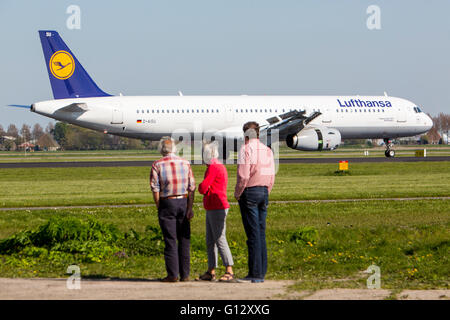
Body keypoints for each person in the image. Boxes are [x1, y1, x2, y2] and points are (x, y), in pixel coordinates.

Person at [150, 137, 196, 282]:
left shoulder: (157, 165)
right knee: (184, 239)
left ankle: (172, 275)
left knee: (170, 240)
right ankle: (185, 274)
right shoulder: (185, 163)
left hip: (167, 202)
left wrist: (159, 205)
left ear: (161, 149)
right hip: (183, 200)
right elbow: (192, 187)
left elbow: (155, 188)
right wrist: (190, 207)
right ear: (175, 149)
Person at [235, 122, 275, 283]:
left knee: (252, 234)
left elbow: (243, 176)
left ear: (245, 134)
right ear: (258, 133)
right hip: (264, 191)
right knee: (260, 232)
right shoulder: (267, 150)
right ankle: (262, 271)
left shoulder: (245, 149)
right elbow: (272, 174)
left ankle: (255, 273)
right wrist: (266, 190)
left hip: (250, 191)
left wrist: (238, 193)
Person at [197, 141, 235, 282]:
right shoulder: (216, 166)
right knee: (210, 240)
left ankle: (229, 269)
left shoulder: (213, 167)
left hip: (216, 207)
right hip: (212, 206)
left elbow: (203, 187)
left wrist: (199, 186)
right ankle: (211, 270)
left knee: (219, 239)